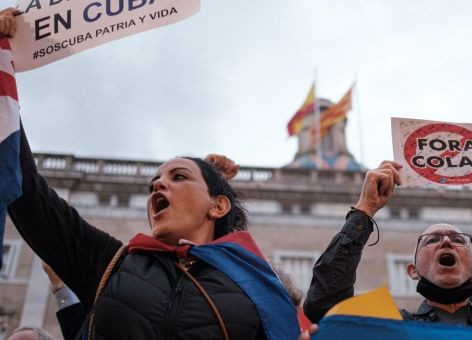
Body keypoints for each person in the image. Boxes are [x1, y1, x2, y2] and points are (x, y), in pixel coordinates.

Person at [0, 10, 299, 340]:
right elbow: (26, 190)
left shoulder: (253, 293)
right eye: (155, 181)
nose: (158, 183)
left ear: (217, 206)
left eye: (179, 177)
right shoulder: (114, 264)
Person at [304, 152, 472, 330]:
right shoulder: (393, 326)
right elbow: (324, 307)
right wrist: (364, 210)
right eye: (431, 240)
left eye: (458, 239)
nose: (446, 242)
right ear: (412, 270)